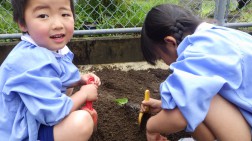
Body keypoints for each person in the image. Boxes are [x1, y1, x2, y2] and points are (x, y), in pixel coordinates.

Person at [140, 3, 252, 141]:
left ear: (170, 42)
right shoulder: (217, 36)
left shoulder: (195, 55)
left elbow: (181, 117)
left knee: (198, 96)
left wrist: (151, 127)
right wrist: (166, 106)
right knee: (196, 96)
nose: (167, 64)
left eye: (161, 58)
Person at [0, 0, 101, 141]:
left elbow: (62, 75)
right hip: (20, 133)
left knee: (67, 87)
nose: (58, 24)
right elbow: (52, 113)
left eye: (64, 14)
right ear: (22, 23)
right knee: (81, 123)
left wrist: (80, 79)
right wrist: (83, 95)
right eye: (43, 16)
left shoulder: (46, 48)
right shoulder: (31, 61)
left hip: (33, 120)